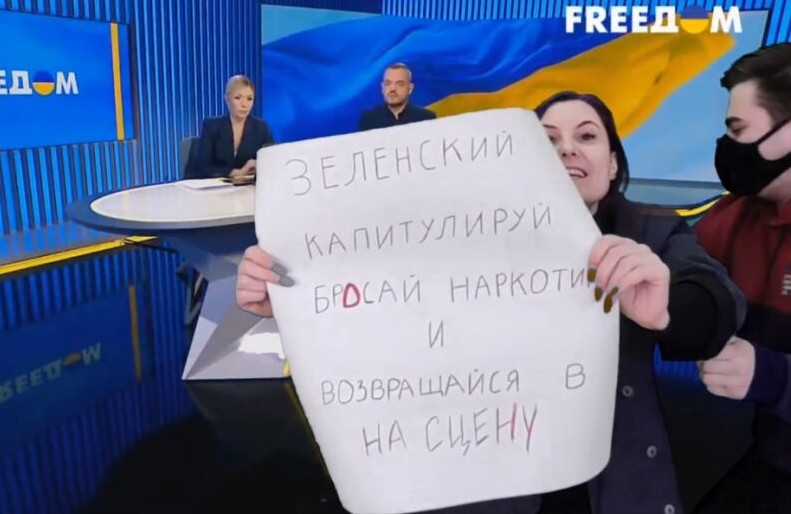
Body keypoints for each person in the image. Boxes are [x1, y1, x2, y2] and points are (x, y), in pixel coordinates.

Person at [237, 91, 744, 514]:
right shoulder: (458, 240)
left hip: (613, 485)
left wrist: (668, 310)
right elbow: (381, 314)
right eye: (547, 141)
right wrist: (295, 300)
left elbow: (717, 302)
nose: (567, 150)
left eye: (587, 136)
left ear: (613, 164)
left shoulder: (650, 230)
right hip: (493, 487)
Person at [694, 42, 791, 514]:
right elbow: (679, 265)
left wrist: (774, 377)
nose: (728, 147)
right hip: (770, 454)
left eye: (738, 130)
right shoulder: (738, 215)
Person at [185, 75, 274, 179]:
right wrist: (236, 172)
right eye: (238, 98)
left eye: (249, 99)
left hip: (247, 187)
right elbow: (202, 168)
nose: (244, 104)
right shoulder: (212, 126)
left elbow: (273, 160)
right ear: (227, 99)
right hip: (215, 186)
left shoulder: (260, 127)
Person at [358, 63, 437, 131]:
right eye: (388, 83)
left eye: (400, 84)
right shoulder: (368, 120)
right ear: (382, 88)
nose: (392, 89)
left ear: (410, 89)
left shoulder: (425, 118)